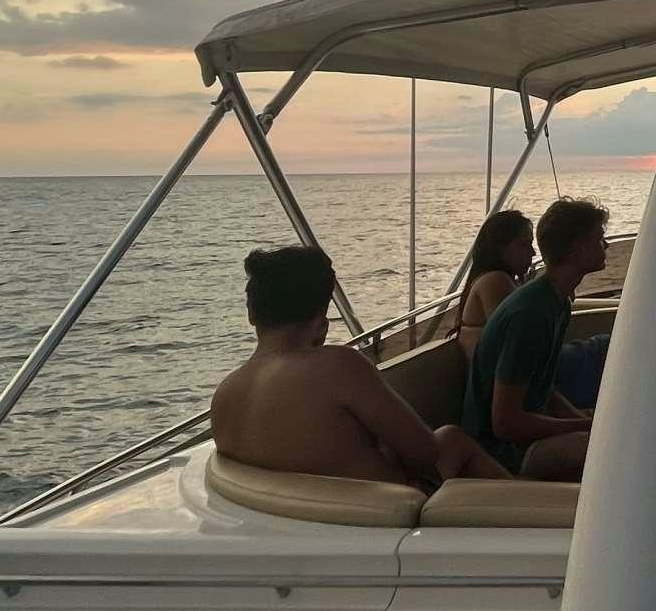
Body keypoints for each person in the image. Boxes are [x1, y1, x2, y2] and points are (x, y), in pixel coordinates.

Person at [212, 243, 507, 488]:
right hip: (379, 525)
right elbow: (426, 452)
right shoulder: (340, 367)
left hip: (288, 526)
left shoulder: (225, 395)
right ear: (321, 319)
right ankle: (536, 516)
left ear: (251, 313)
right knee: (451, 440)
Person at [463, 197, 607, 480]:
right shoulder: (530, 313)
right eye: (599, 239)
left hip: (524, 439)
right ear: (577, 251)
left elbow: (545, 390)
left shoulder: (557, 303)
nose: (606, 246)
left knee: (627, 427)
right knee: (617, 447)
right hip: (500, 450)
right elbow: (504, 423)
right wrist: (579, 428)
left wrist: (583, 421)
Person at [452, 208, 535, 344]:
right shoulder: (495, 281)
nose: (532, 252)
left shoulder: (497, 279)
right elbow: (518, 339)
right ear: (500, 248)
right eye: (524, 244)